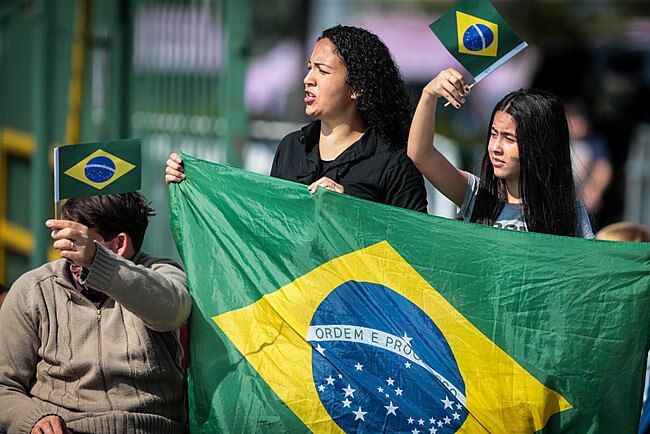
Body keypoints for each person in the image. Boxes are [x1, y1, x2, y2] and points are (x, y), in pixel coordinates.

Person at [166, 25, 428, 212]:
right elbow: (269, 222)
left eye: (322, 71)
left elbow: (413, 244)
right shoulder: (291, 147)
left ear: (357, 86)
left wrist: (352, 209)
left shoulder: (394, 160)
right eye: (308, 68)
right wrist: (193, 180)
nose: (308, 80)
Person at [0, 192, 191, 434]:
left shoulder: (163, 274)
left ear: (119, 244)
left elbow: (172, 310)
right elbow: (4, 386)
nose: (65, 251)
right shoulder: (33, 289)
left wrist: (95, 261)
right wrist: (33, 420)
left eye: (77, 241)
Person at [407, 68, 594, 238]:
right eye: (493, 134)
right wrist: (429, 94)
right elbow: (421, 155)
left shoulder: (571, 213)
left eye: (509, 138)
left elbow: (586, 269)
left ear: (539, 147)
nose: (495, 147)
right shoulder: (476, 196)